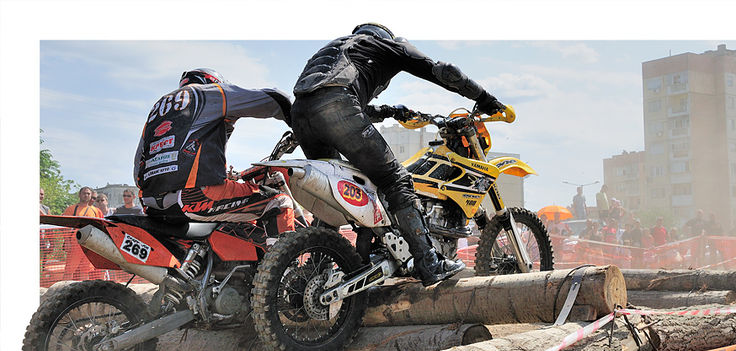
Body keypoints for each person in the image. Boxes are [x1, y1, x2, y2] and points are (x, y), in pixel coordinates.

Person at [290, 23, 505, 286]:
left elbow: (329, 99)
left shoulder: (337, 49)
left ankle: (314, 271)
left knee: (331, 194)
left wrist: (391, 111)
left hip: (300, 114)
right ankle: (429, 262)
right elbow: (445, 71)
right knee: (397, 181)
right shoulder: (387, 46)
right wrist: (485, 98)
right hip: (337, 103)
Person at [134, 68, 295, 234]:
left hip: (150, 204)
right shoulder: (210, 92)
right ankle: (284, 252)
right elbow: (275, 99)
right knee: (280, 202)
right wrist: (299, 124)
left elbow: (137, 167)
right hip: (195, 197)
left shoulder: (156, 111)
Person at [61, 186, 104, 280]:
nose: (86, 195)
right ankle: (64, 287)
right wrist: (67, 241)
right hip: (75, 243)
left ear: (91, 196)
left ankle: (83, 288)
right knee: (69, 270)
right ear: (79, 195)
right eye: (84, 193)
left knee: (85, 270)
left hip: (89, 244)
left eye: (88, 194)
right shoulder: (71, 209)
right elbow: (64, 227)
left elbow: (101, 227)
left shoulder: (96, 211)